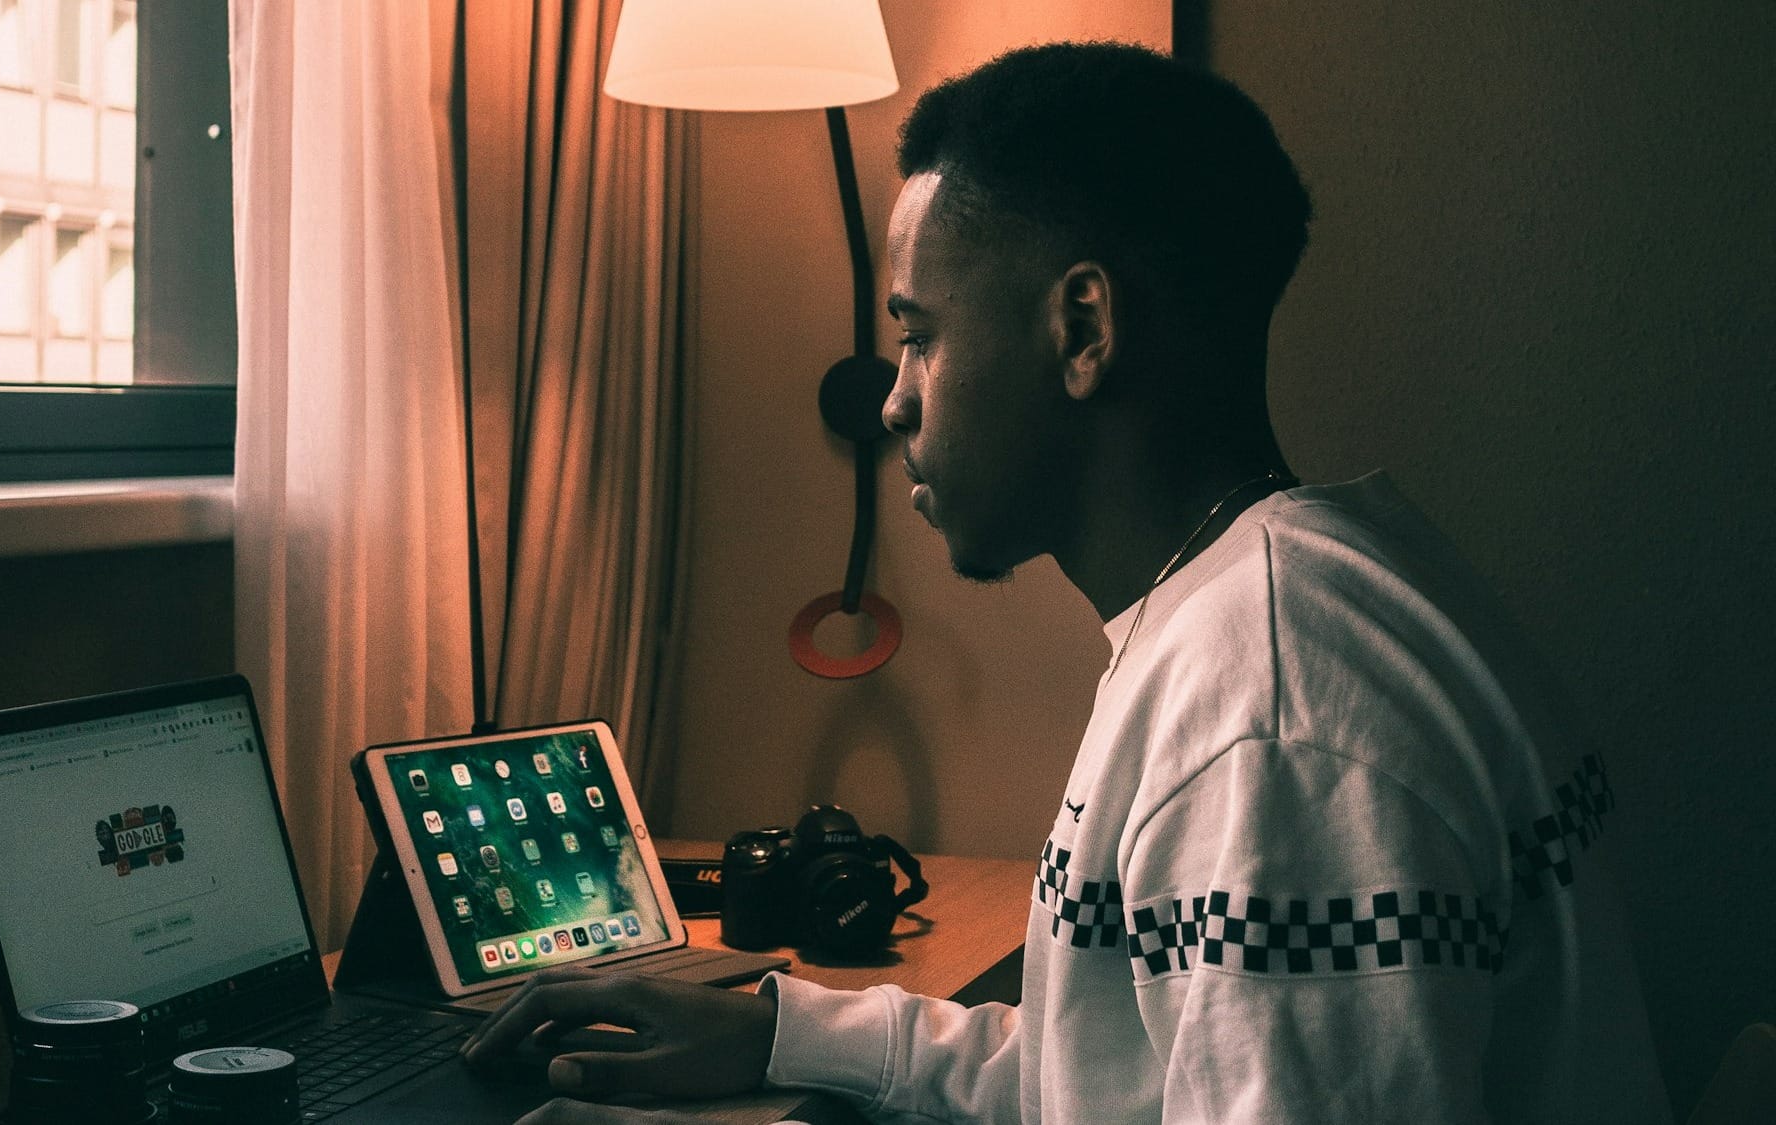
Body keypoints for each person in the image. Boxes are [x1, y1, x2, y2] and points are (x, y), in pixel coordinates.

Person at [461, 41, 1669, 1123]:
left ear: (1081, 328)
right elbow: (1120, 1076)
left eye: (920, 333)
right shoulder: (1286, 599)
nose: (891, 399)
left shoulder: (1268, 716)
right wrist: (788, 1029)